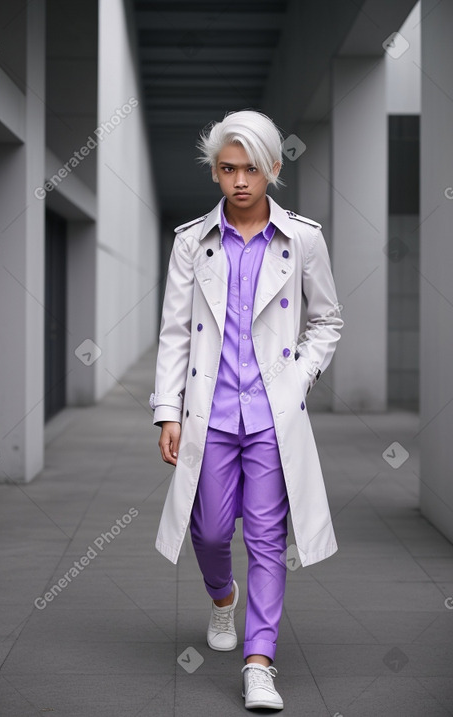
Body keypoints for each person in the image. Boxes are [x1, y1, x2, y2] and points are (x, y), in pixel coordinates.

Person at [150, 109, 343, 711]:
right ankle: (221, 595)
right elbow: (175, 333)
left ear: (273, 170)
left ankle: (260, 662)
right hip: (210, 410)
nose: (240, 180)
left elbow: (326, 320)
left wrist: (299, 377)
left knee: (266, 537)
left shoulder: (303, 238)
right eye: (228, 168)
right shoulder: (191, 241)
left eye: (252, 168)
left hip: (270, 417)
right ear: (215, 172)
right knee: (207, 530)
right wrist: (168, 410)